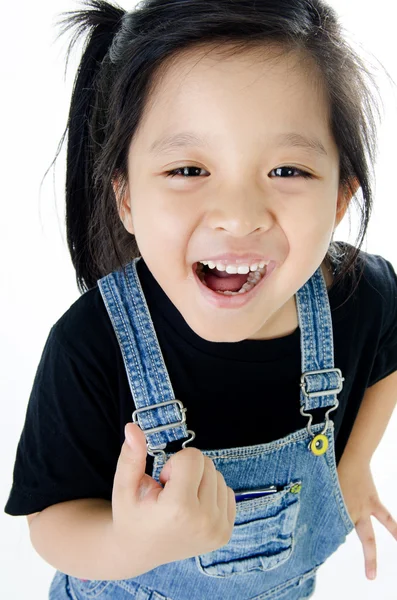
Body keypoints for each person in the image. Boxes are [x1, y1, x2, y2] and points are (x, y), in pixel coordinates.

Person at [4, 0, 397, 598]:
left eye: (288, 170)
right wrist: (130, 545)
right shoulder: (91, 342)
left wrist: (357, 462)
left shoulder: (361, 295)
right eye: (188, 169)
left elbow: (389, 353)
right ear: (127, 197)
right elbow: (50, 521)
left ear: (342, 197)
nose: (238, 217)